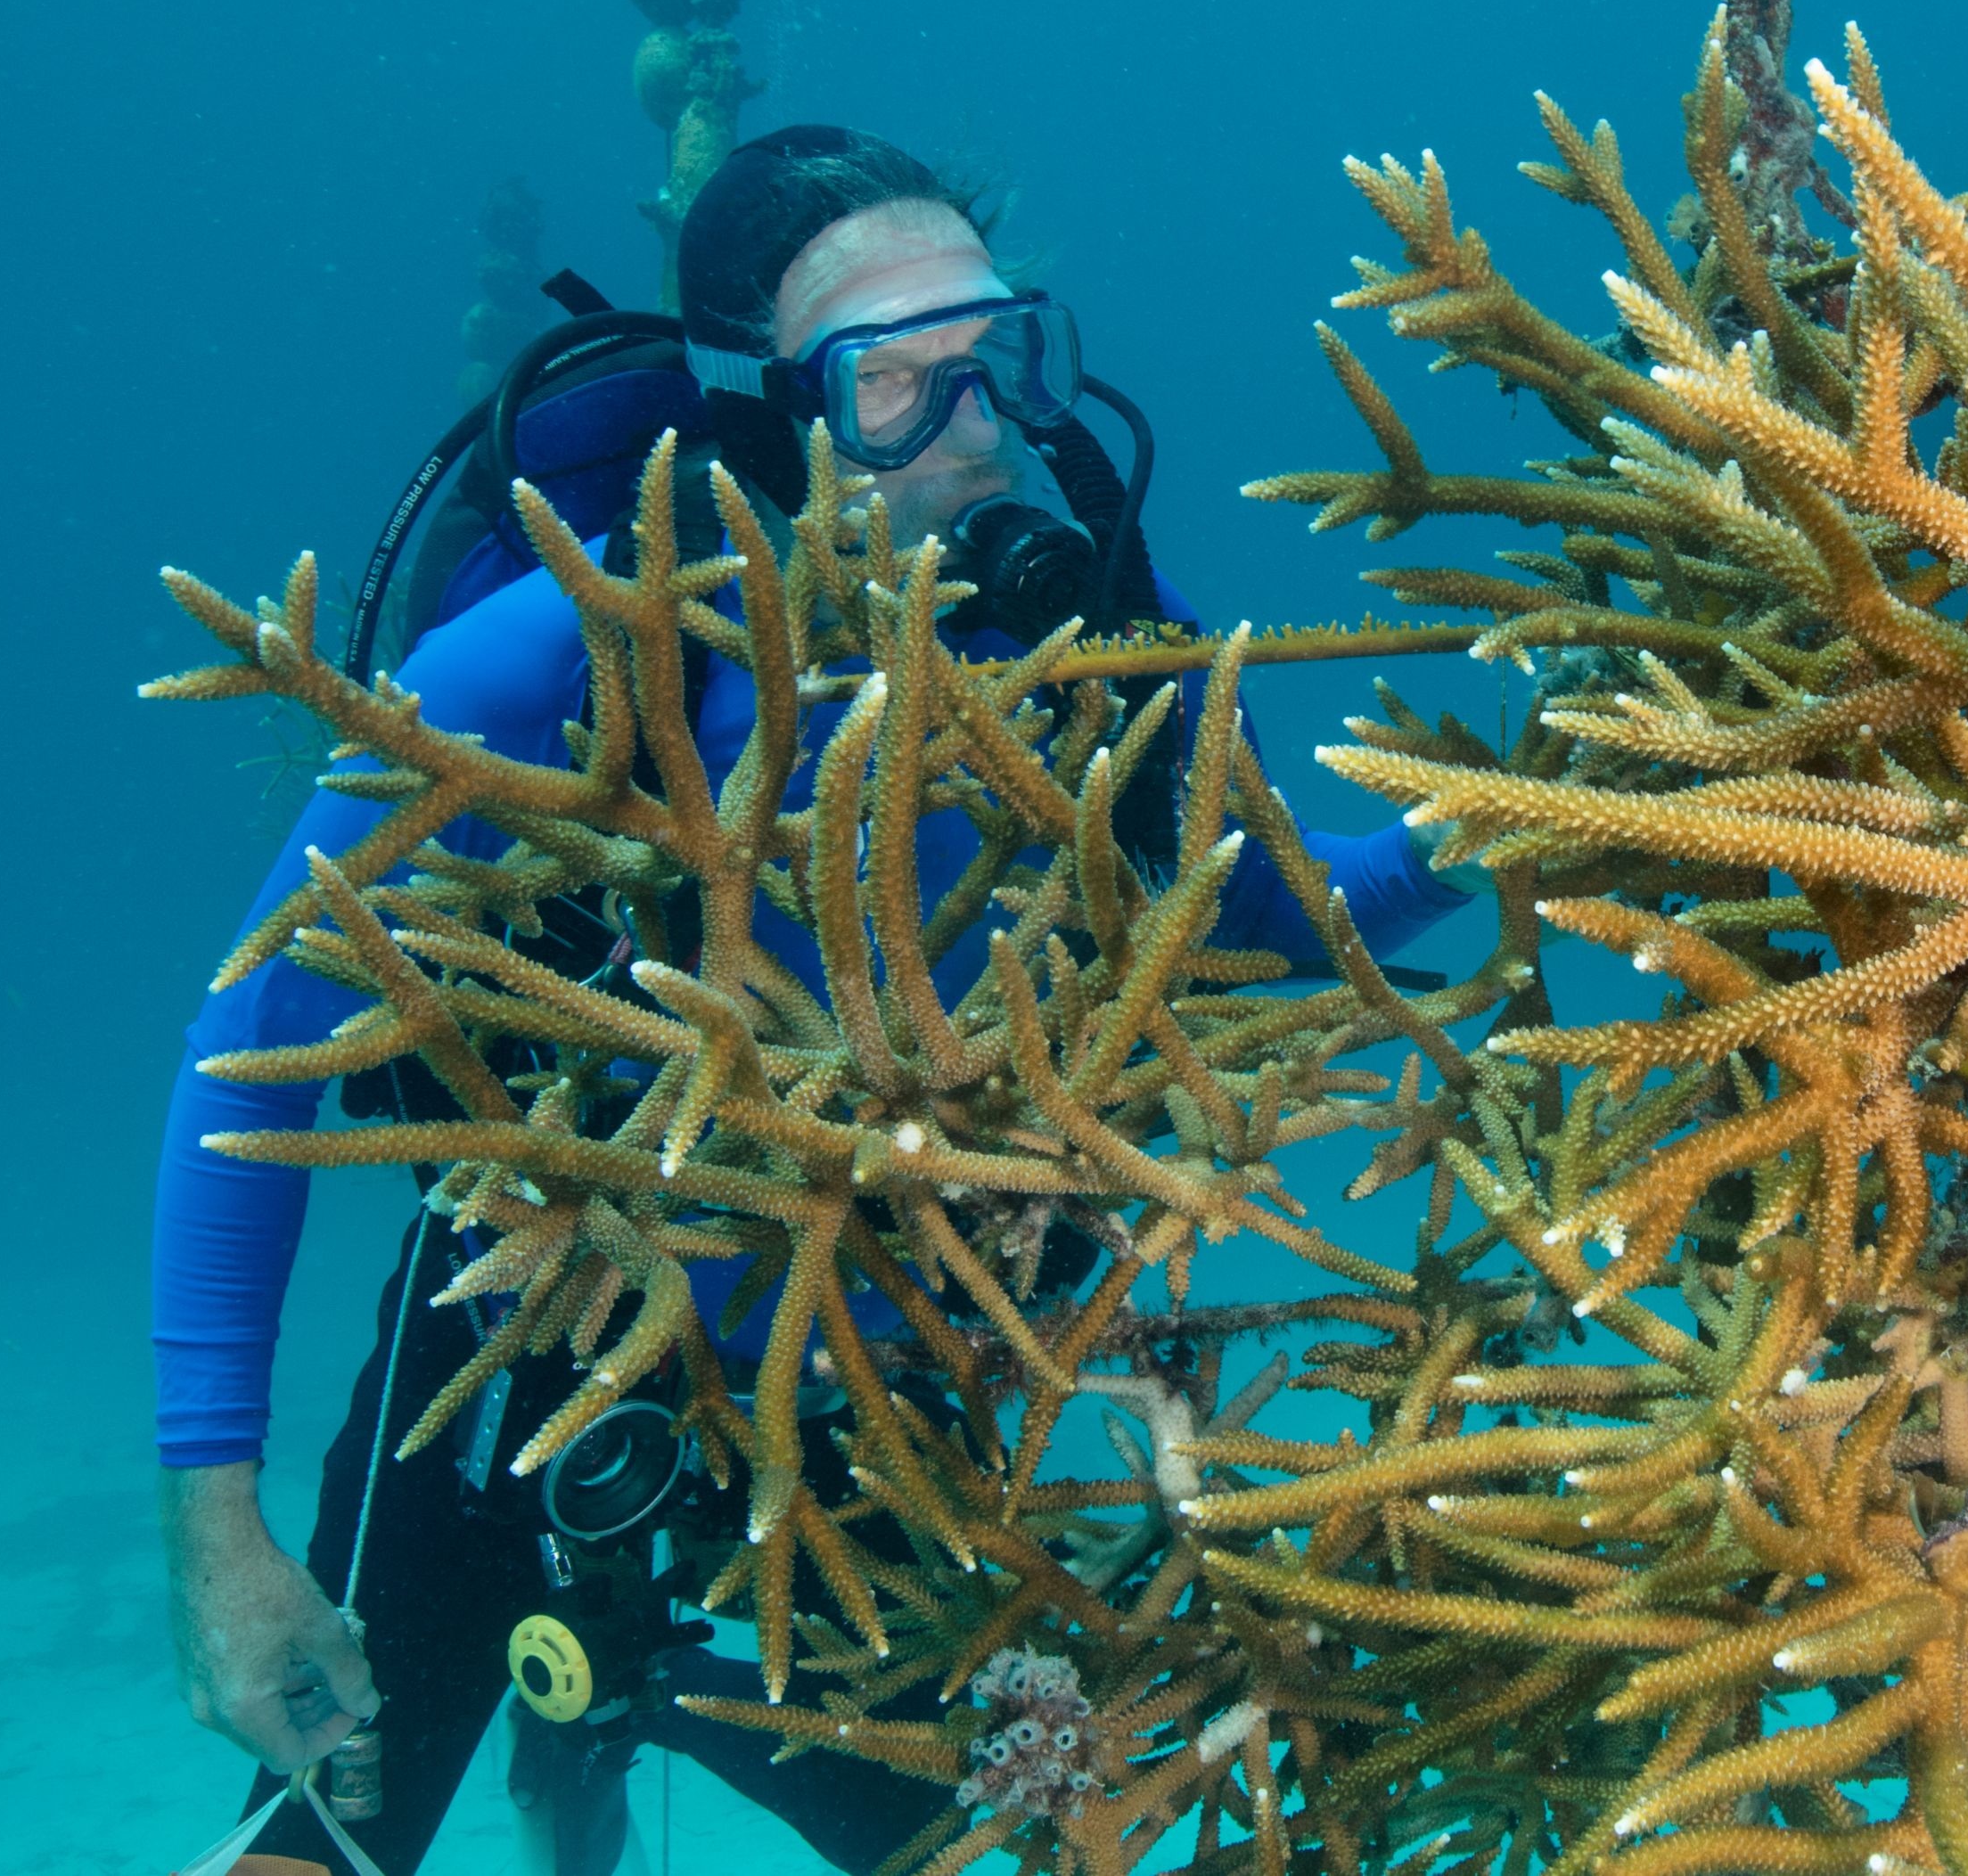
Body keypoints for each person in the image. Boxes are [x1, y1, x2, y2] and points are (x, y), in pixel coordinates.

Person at [154, 127, 1471, 1875]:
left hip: (867, 1404)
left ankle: (592, 1757)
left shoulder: (1086, 633)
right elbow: (249, 1057)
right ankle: (568, 1742)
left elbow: (1253, 910)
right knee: (307, 1848)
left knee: (1036, 1841)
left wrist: (1514, 811)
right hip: (534, 1363)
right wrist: (216, 1528)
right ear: (769, 411)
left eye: (994, 358)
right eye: (890, 386)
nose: (977, 429)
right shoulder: (569, 651)